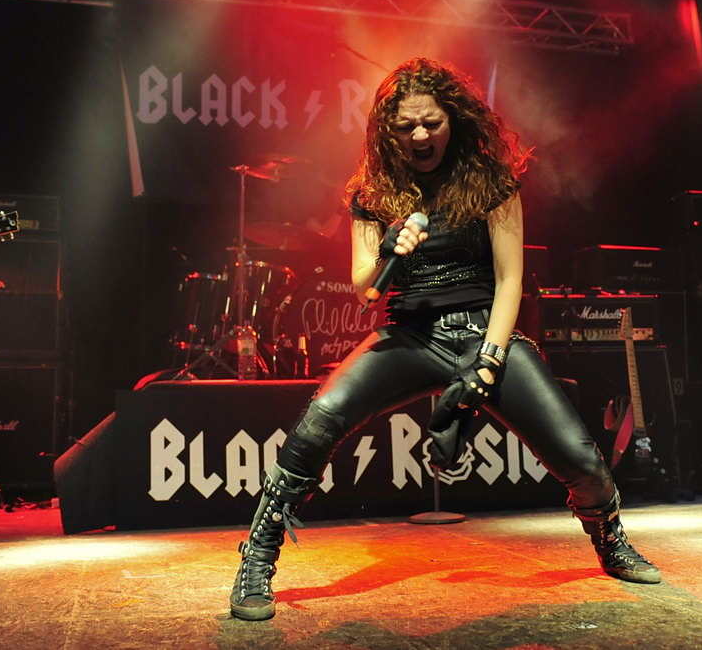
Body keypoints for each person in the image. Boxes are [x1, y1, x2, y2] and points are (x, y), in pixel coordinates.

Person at [229, 57, 660, 622]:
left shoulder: (491, 181)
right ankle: (258, 556)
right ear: (388, 130)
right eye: (406, 126)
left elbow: (510, 280)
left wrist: (489, 360)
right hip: (411, 336)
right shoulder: (373, 192)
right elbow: (363, 288)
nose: (419, 136)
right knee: (321, 416)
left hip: (485, 332)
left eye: (430, 123)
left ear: (452, 119)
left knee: (582, 461)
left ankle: (611, 540)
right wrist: (389, 247)